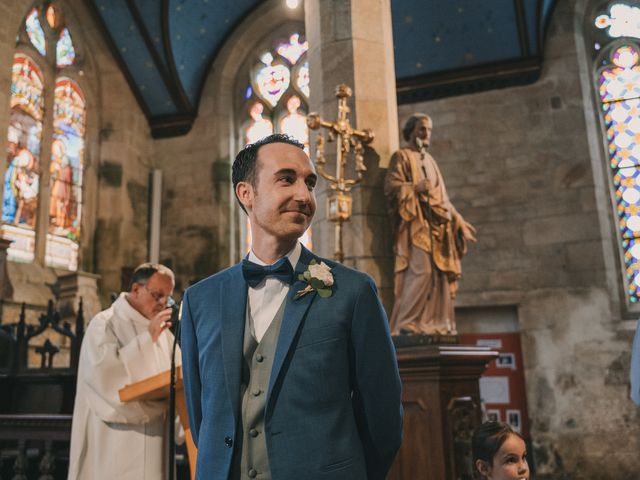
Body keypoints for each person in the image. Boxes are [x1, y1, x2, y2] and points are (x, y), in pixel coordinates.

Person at [181, 134, 403, 480]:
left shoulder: (352, 291)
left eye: (310, 183)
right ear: (246, 194)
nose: (304, 196)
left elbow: (383, 417)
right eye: (287, 179)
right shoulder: (201, 300)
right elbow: (201, 417)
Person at [68, 263, 181, 480]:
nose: (162, 304)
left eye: (167, 298)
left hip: (157, 443)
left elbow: (181, 378)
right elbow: (106, 381)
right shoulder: (104, 325)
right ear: (137, 289)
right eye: (157, 295)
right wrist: (147, 339)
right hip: (117, 445)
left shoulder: (165, 334)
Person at [384, 113, 476, 336]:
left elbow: (442, 198)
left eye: (429, 130)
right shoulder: (402, 157)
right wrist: (414, 189)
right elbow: (391, 187)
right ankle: (406, 322)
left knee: (439, 274)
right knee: (421, 271)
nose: (426, 134)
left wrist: (458, 220)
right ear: (410, 131)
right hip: (417, 225)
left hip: (440, 227)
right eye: (422, 129)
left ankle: (435, 323)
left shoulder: (431, 161)